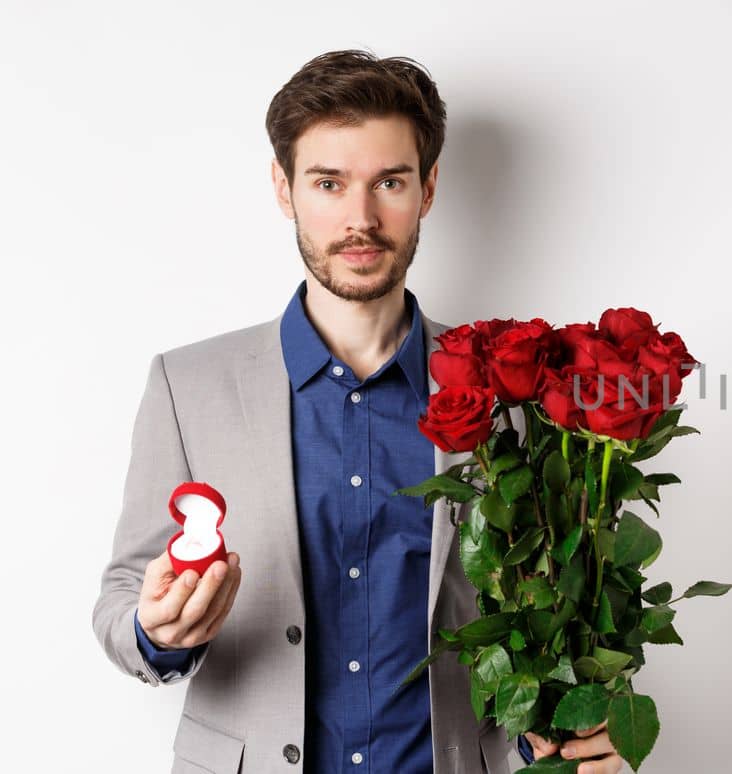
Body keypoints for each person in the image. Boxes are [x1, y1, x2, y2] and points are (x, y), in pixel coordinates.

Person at [90, 49, 623, 774]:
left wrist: (579, 728)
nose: (360, 218)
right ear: (284, 188)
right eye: (329, 183)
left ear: (428, 188)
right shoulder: (188, 385)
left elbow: (553, 608)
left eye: (390, 183)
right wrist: (156, 629)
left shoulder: (512, 389)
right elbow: (122, 600)